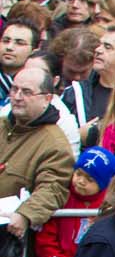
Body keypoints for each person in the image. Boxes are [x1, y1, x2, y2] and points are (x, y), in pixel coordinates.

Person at [0, 58, 74, 240]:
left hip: (7, 234)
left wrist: (26, 214)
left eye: (26, 92)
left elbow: (53, 188)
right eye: (14, 89)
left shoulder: (55, 145)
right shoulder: (1, 124)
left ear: (47, 99)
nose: (17, 97)